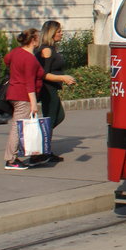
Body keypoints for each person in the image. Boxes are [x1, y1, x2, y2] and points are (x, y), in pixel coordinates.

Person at [2, 28, 46, 170]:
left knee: (20, 125)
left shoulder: (16, 52)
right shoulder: (30, 59)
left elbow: (6, 60)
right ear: (33, 41)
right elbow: (29, 82)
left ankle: (27, 154)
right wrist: (33, 103)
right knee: (17, 126)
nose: (39, 41)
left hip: (13, 92)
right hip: (23, 96)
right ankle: (11, 159)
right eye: (38, 38)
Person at [36, 20, 76, 163]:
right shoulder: (46, 50)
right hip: (47, 89)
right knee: (51, 118)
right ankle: (41, 151)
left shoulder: (51, 48)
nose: (61, 34)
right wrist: (63, 78)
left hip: (52, 88)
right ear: (51, 33)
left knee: (58, 116)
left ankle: (42, 147)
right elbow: (44, 73)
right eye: (59, 31)